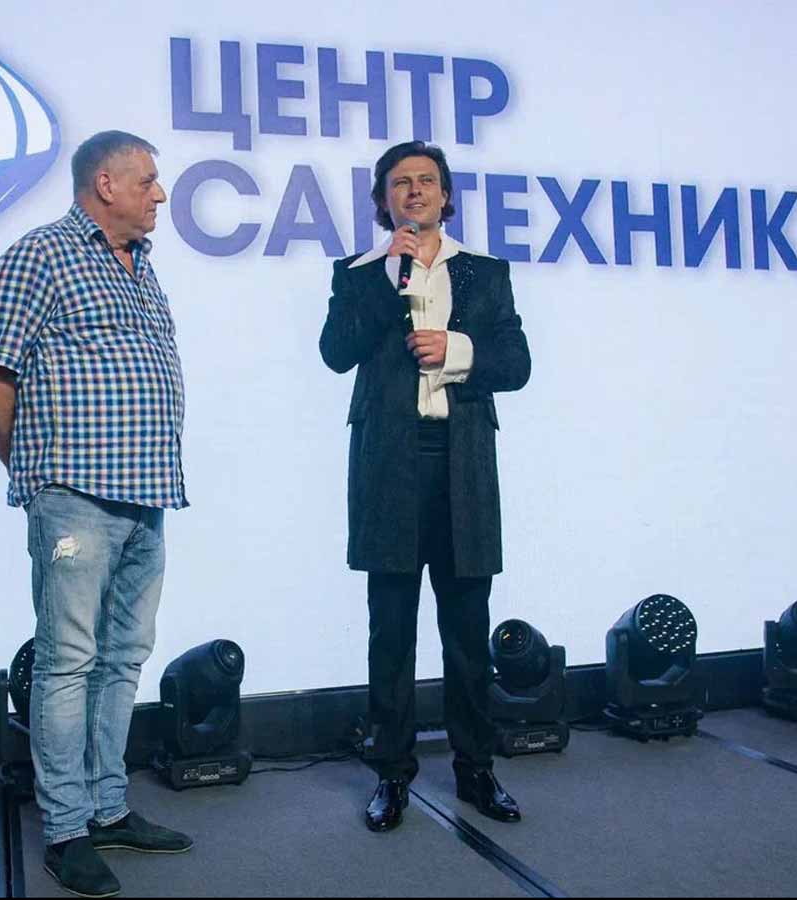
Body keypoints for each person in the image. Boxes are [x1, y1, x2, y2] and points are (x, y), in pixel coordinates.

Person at [0, 131, 191, 898]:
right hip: (75, 498)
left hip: (147, 497)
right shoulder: (41, 255)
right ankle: (65, 830)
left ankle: (107, 807)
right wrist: (38, 475)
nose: (160, 194)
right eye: (148, 181)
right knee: (67, 661)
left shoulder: (142, 267)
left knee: (123, 658)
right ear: (105, 184)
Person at [319, 140, 531, 832]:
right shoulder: (358, 274)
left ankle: (477, 768)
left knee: (467, 629)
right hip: (389, 463)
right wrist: (391, 279)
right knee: (391, 630)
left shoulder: (486, 273)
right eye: (400, 183)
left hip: (461, 463)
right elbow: (335, 353)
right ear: (383, 201)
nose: (414, 191)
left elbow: (516, 362)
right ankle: (391, 774)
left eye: (426, 181)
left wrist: (456, 350)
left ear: (445, 196)